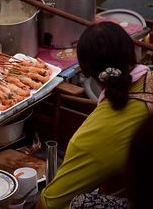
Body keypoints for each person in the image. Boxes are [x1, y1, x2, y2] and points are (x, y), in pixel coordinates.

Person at [35, 21, 152, 209]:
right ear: (133, 52)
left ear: (86, 71)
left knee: (80, 203)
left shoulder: (93, 136)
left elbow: (51, 204)